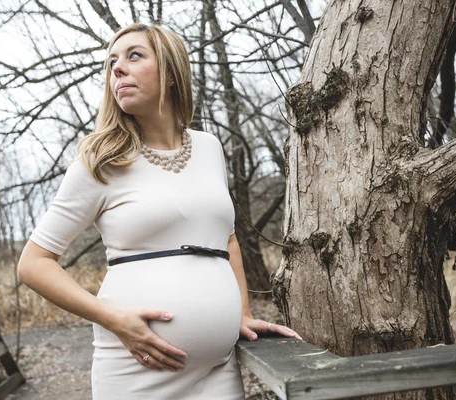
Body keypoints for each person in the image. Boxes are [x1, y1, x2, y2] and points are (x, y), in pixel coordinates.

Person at [17, 22, 302, 399]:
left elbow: (227, 239)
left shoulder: (209, 147)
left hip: (218, 369)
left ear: (170, 73)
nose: (117, 68)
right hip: (138, 368)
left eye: (134, 55)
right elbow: (34, 263)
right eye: (112, 62)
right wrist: (114, 319)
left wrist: (243, 315)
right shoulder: (100, 161)